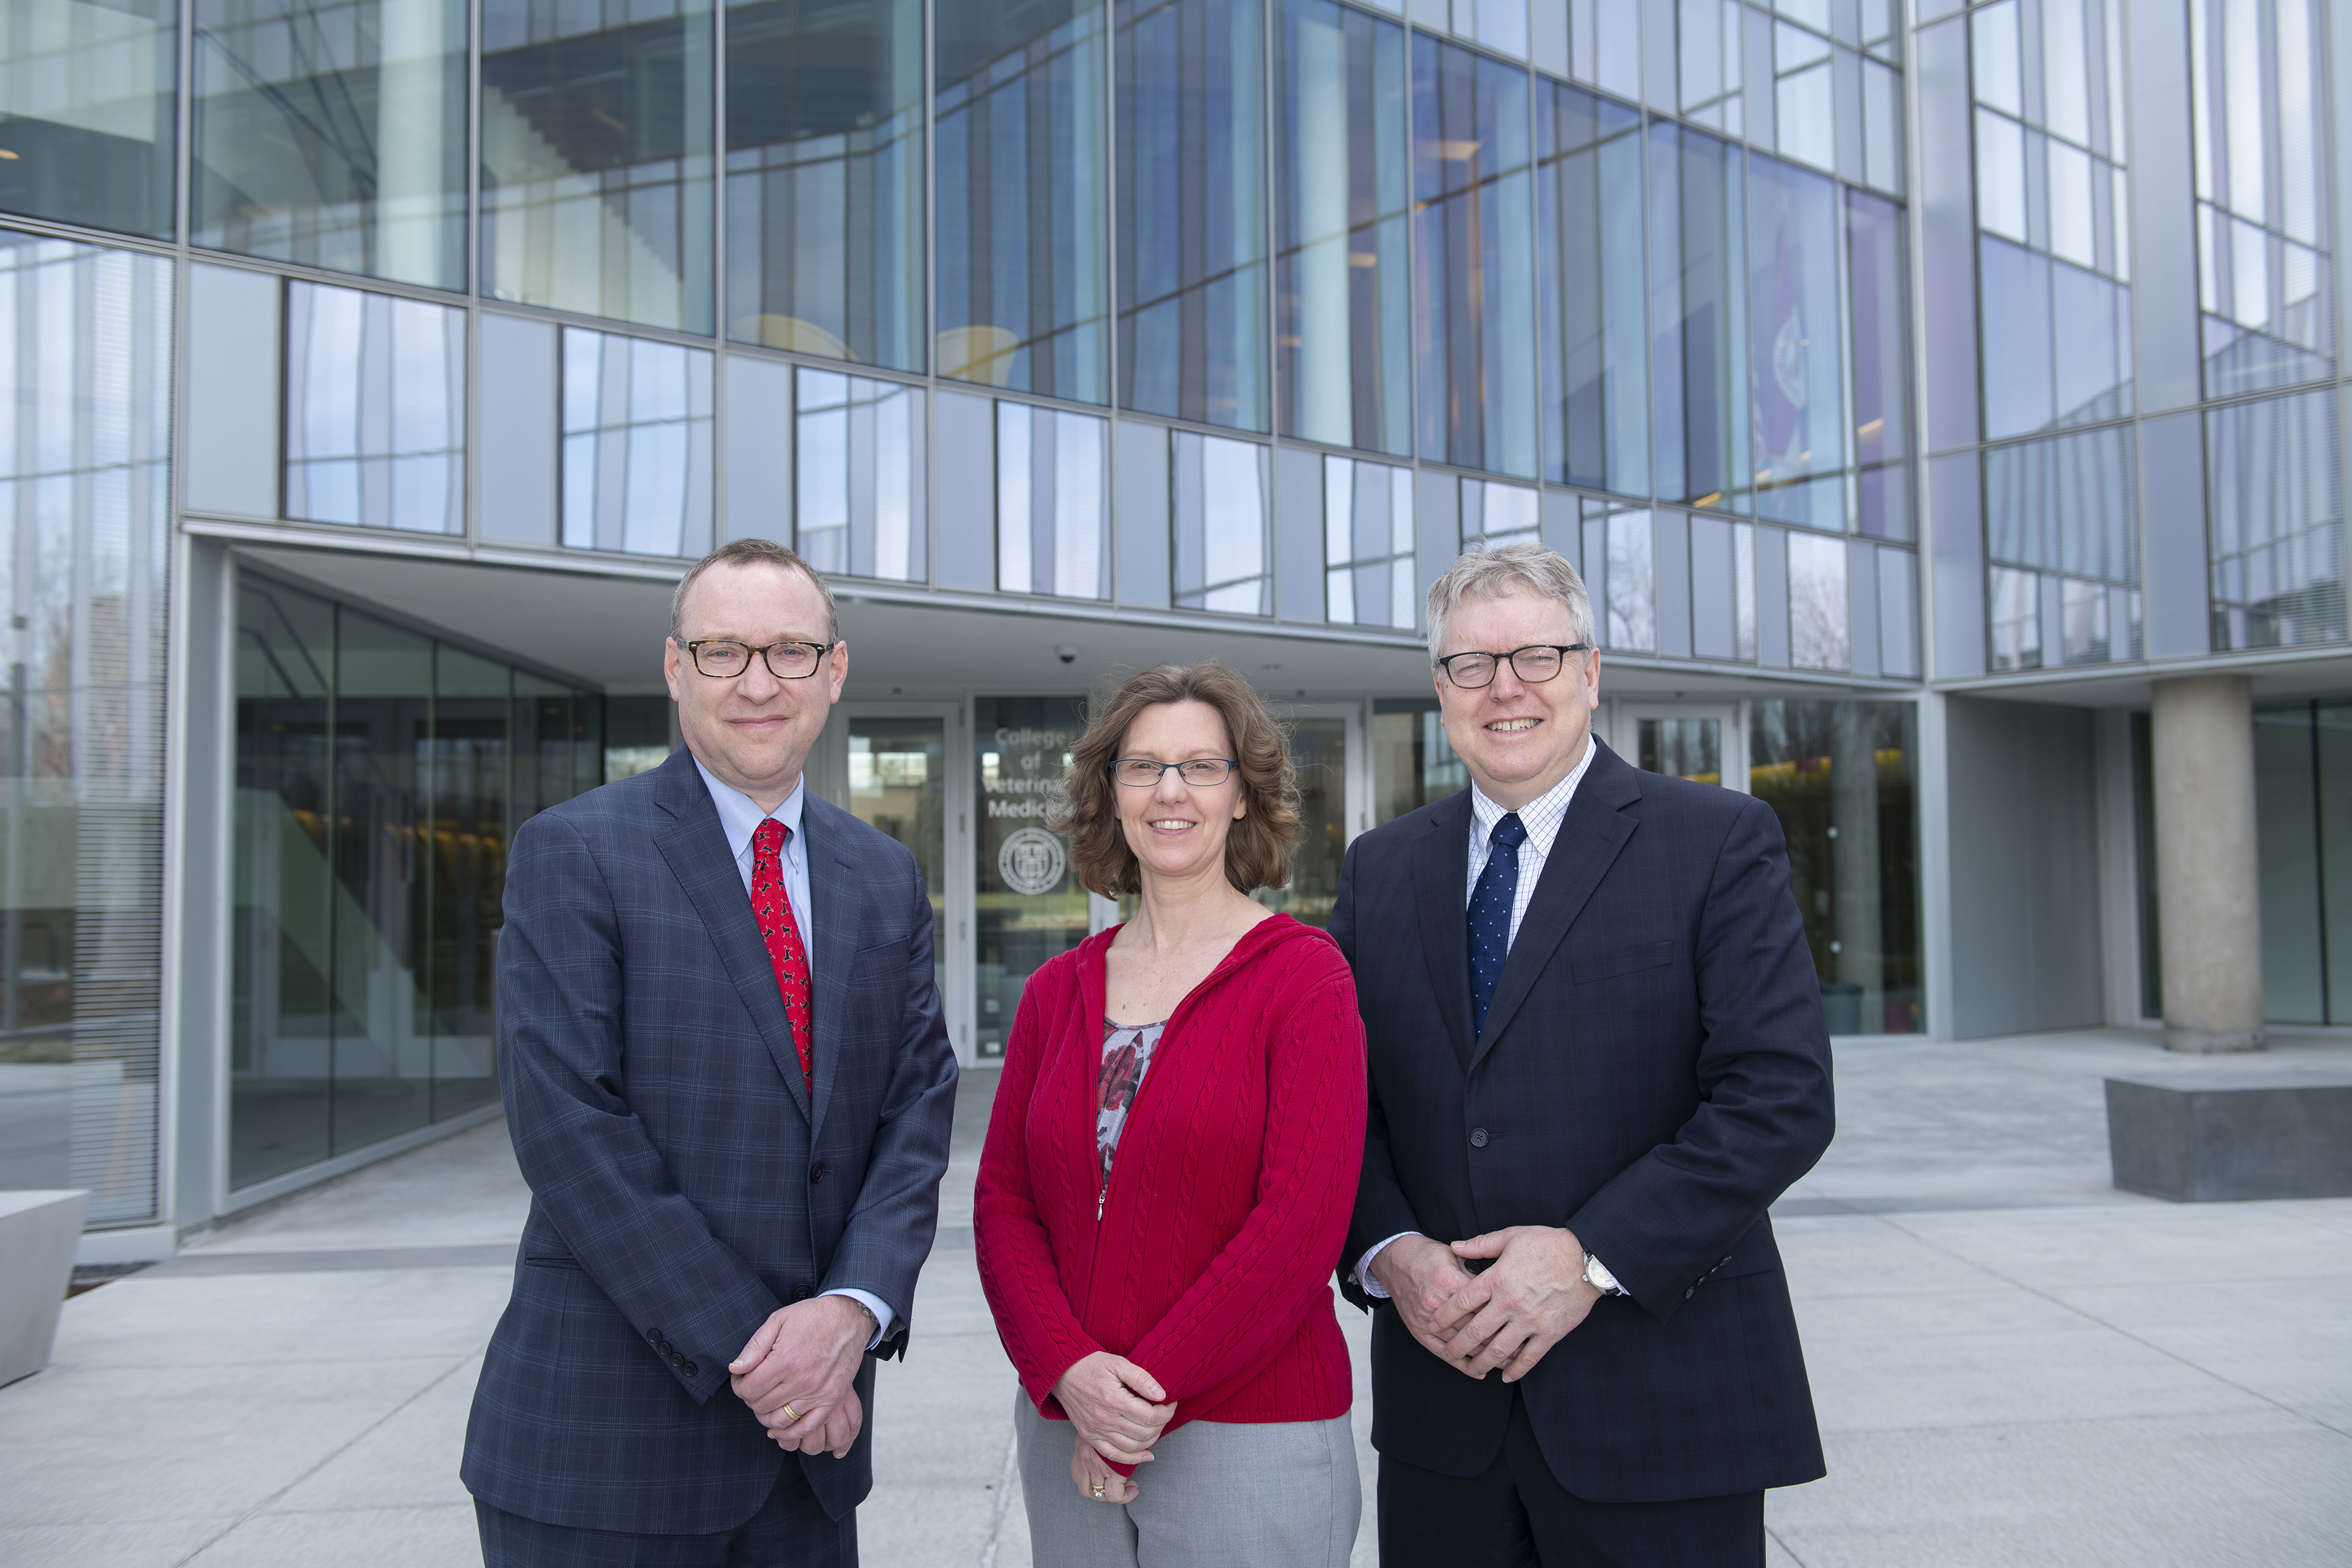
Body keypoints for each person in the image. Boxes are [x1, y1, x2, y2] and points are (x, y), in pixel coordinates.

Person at [1333, 542, 1835, 1567]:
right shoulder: (1378, 871)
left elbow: (1778, 1096)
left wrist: (1590, 1258)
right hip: (1444, 1417)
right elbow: (1341, 1106)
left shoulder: (1718, 841)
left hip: (1660, 1408)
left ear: (1592, 673)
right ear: (1441, 691)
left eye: (1538, 657)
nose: (1505, 687)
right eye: (1473, 664)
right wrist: (1390, 1253)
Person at [462, 538, 958, 1567]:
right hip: (609, 1453)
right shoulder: (577, 850)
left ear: (835, 669)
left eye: (788, 651)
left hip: (808, 1470)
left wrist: (853, 1312)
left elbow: (915, 1111)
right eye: (725, 652)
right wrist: (778, 1357)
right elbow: (570, 1130)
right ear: (676, 668)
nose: (759, 683)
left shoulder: (885, 875)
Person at [975, 662, 1368, 1568]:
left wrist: (1132, 1407)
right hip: (1066, 1425)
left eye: (1202, 766)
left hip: (1250, 1433)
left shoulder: (1305, 978)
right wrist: (1070, 1376)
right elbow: (1003, 1203)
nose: (1171, 791)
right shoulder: (1053, 992)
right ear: (1110, 795)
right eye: (1143, 767)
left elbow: (1299, 1227)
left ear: (1243, 795)